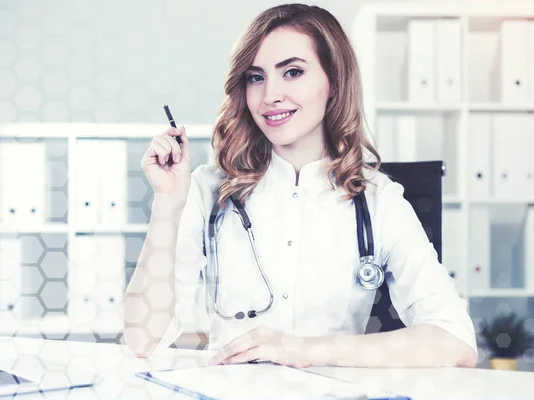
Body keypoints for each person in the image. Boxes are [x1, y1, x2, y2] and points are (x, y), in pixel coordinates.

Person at [123, 3, 478, 368]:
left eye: (292, 72)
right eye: (255, 77)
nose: (270, 95)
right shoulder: (208, 188)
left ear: (334, 83)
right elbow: (143, 340)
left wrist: (304, 350)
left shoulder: (377, 198)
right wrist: (168, 202)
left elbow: (455, 339)